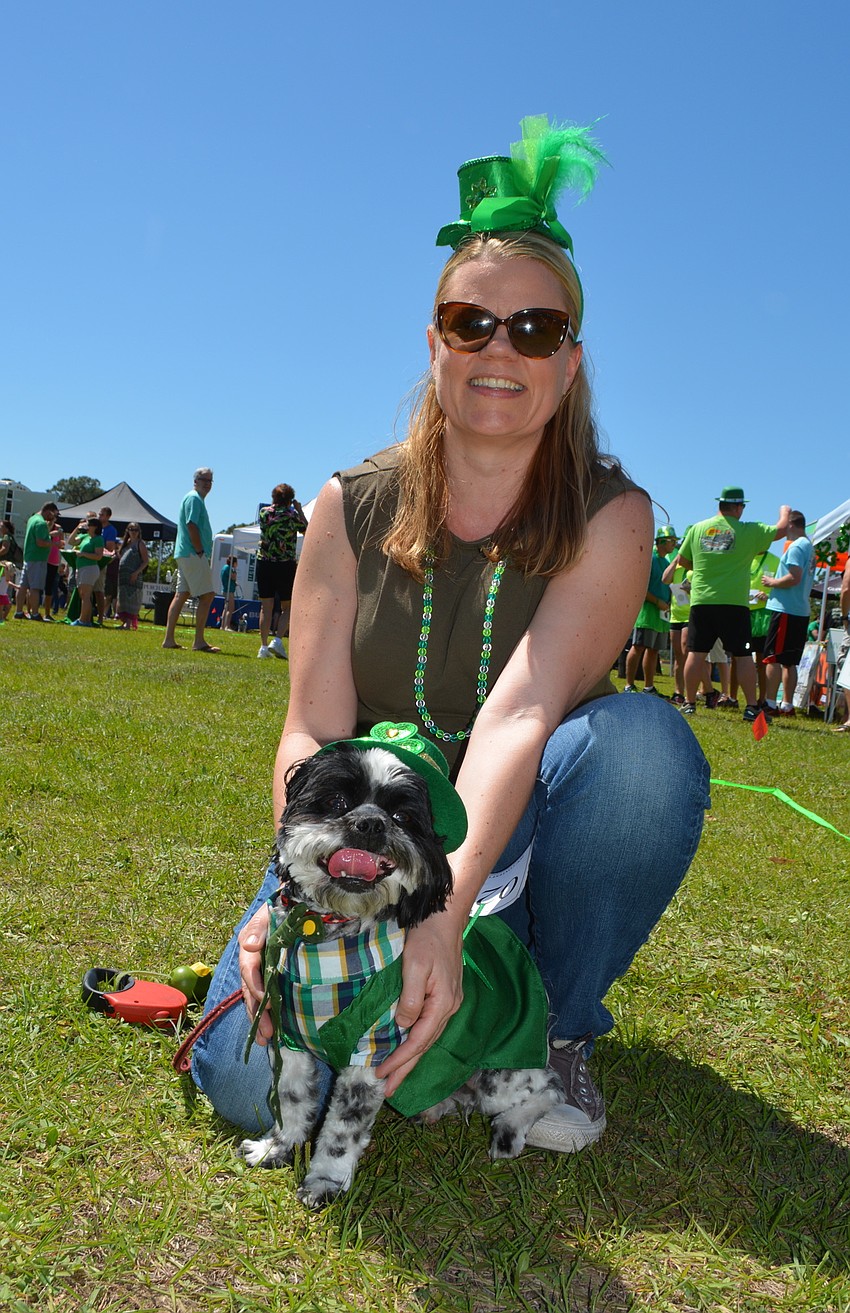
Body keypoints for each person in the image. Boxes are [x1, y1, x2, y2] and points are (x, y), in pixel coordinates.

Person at [190, 116, 710, 1153]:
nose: (498, 349)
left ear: (568, 360)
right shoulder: (349, 503)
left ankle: (553, 1016)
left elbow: (521, 709)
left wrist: (432, 907)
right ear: (435, 343)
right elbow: (313, 729)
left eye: (534, 328)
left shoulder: (612, 516)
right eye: (471, 322)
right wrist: (305, 882)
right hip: (367, 818)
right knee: (250, 1088)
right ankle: (443, 974)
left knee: (646, 751)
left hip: (516, 815)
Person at [665, 486, 791, 721]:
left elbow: (682, 560)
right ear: (737, 507)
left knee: (696, 652)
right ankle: (752, 707)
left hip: (702, 601)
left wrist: (706, 569)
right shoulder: (747, 531)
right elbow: (781, 529)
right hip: (733, 603)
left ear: (720, 505)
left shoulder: (699, 528)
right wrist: (785, 511)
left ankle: (690, 703)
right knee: (742, 656)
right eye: (742, 506)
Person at [761, 511, 815, 717]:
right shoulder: (809, 546)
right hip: (800, 609)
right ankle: (787, 704)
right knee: (789, 661)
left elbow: (794, 577)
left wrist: (771, 582)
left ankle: (770, 703)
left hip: (786, 609)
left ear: (791, 525)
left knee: (772, 657)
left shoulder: (796, 546)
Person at [162, 468, 220, 653]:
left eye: (210, 480)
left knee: (181, 595)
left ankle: (169, 639)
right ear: (195, 481)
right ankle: (199, 642)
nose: (207, 483)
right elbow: (191, 524)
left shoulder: (194, 498)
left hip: (185, 553)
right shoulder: (194, 498)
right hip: (192, 553)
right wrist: (199, 550)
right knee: (207, 595)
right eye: (204, 479)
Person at [256, 483, 307, 660]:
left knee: (266, 606)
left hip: (264, 562)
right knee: (288, 607)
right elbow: (307, 529)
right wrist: (299, 509)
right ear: (290, 499)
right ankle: (277, 640)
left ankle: (263, 647)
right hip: (285, 565)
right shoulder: (292, 516)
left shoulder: (264, 513)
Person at [622, 526, 676, 695]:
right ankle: (629, 685)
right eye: (672, 541)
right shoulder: (650, 559)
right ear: (661, 541)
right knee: (638, 646)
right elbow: (641, 588)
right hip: (647, 613)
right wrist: (657, 601)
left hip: (661, 616)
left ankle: (648, 687)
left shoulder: (667, 563)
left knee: (654, 650)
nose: (675, 544)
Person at [14, 502, 58, 620]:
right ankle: (34, 614)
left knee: (23, 586)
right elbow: (40, 542)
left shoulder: (33, 519)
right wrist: (55, 543)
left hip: (28, 557)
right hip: (38, 559)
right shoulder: (41, 523)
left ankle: (18, 612)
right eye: (53, 515)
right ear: (48, 511)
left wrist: (49, 532)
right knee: (35, 587)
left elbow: (38, 536)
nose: (54, 517)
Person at [68, 515, 104, 626]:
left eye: (89, 525)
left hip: (90, 569)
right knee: (82, 594)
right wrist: (77, 529)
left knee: (86, 595)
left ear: (95, 527)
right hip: (81, 568)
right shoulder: (85, 537)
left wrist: (83, 554)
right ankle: (86, 620)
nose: (87, 526)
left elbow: (98, 556)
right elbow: (71, 541)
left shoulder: (98, 539)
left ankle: (83, 620)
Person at [116, 523, 149, 629]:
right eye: (131, 530)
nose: (134, 532)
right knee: (123, 598)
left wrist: (136, 573)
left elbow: (145, 561)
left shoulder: (140, 544)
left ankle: (129, 623)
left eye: (136, 530)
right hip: (123, 577)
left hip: (134, 576)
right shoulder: (125, 544)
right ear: (128, 531)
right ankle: (124, 622)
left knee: (132, 598)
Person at [220, 555, 239, 633]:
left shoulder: (225, 567)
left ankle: (222, 625)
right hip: (229, 591)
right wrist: (234, 570)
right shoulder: (229, 568)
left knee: (226, 608)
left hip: (226, 589)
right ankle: (227, 625)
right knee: (230, 608)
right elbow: (233, 577)